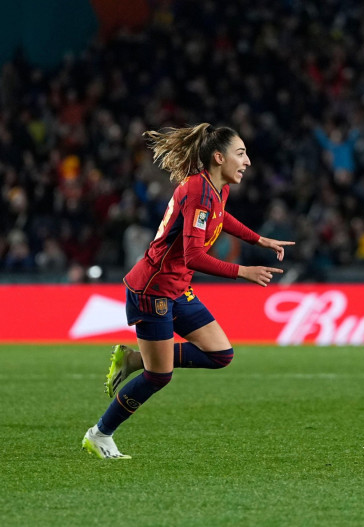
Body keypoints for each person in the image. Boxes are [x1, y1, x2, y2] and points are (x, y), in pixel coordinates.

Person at [82, 123, 294, 459]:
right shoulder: (198, 192)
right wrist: (244, 271)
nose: (247, 161)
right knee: (159, 376)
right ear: (218, 156)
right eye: (241, 154)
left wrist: (259, 239)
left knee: (220, 354)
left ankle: (134, 358)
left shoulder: (216, 188)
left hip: (177, 287)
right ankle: (100, 434)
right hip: (153, 289)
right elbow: (195, 254)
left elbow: (221, 219)